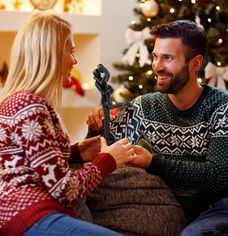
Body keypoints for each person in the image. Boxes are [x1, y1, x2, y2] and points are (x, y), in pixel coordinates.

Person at [0, 12, 137, 236]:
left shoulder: (25, 102)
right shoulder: (29, 105)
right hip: (30, 216)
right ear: (50, 53)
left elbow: (33, 162)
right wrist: (109, 159)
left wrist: (77, 153)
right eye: (71, 51)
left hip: (32, 215)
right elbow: (64, 189)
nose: (75, 60)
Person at [87, 20, 228, 235]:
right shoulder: (144, 106)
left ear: (195, 63)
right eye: (155, 56)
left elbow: (217, 178)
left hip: (217, 207)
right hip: (169, 204)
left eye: (168, 58)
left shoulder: (222, 106)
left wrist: (154, 162)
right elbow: (108, 150)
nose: (157, 66)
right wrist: (96, 127)